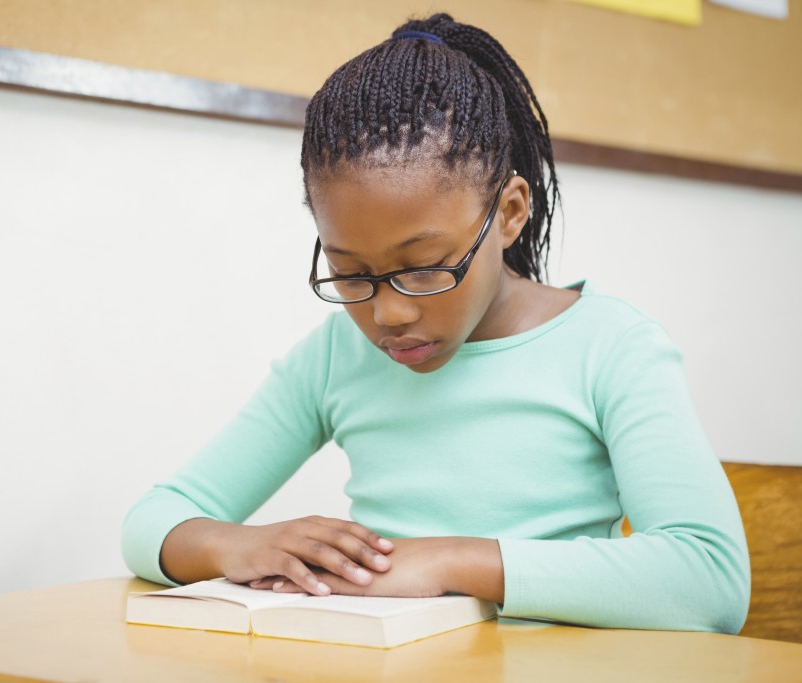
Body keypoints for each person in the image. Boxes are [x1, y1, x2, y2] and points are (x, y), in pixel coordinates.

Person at [121, 13, 749, 634]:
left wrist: (453, 560)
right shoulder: (338, 355)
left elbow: (710, 579)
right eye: (350, 274)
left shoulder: (609, 347)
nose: (389, 313)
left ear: (508, 212)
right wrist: (239, 546)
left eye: (424, 269)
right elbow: (155, 519)